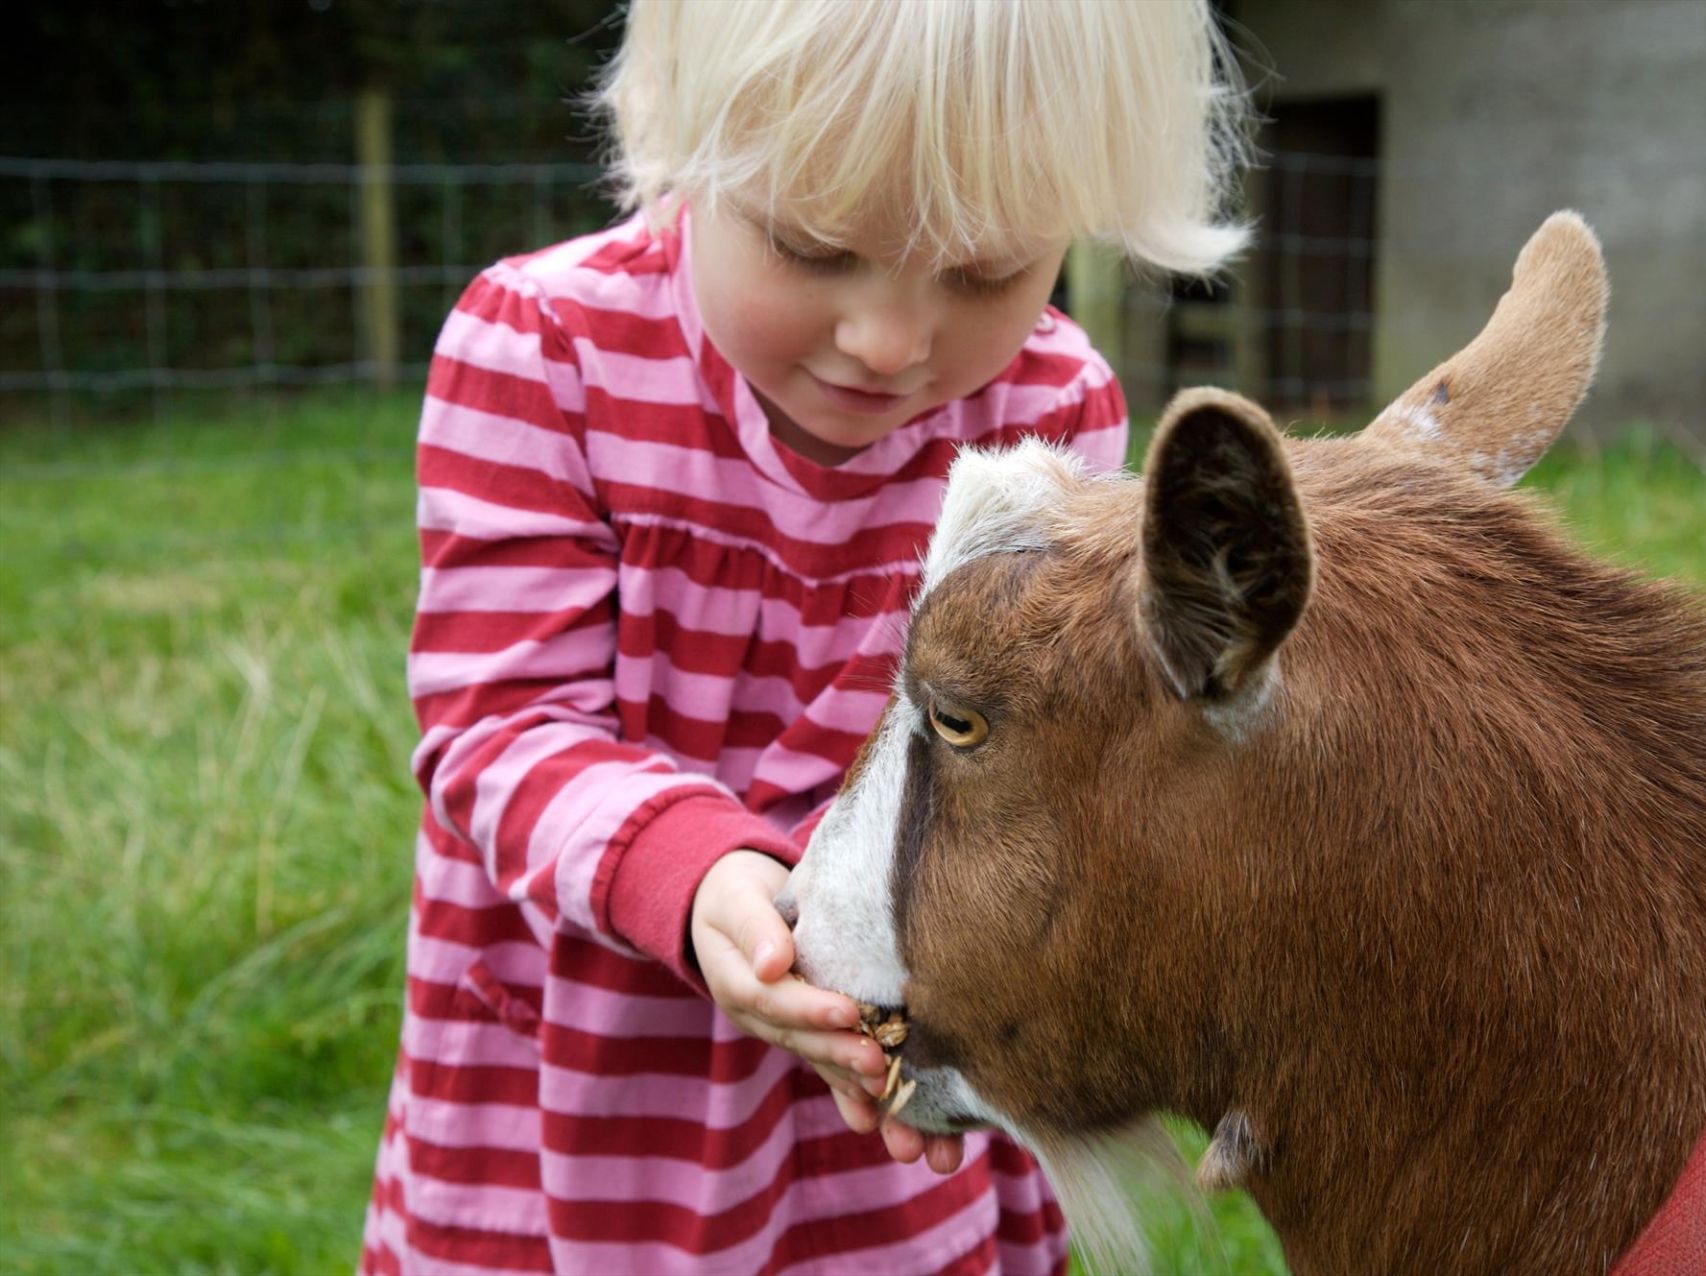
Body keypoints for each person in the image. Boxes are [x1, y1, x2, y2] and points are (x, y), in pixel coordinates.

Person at [360, 2, 1249, 1271]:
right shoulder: (544, 353)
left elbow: (1058, 767)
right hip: (600, 1067)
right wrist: (699, 871)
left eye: (986, 271)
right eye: (811, 244)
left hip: (882, 1057)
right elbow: (499, 727)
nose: (890, 341)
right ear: (693, 133)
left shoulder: (1052, 408)